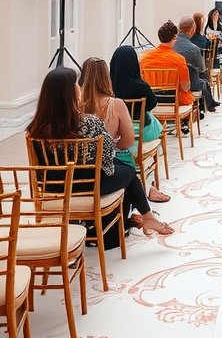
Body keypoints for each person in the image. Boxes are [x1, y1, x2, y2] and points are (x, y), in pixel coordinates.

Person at [27, 66, 173, 237]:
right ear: (71, 93)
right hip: (88, 186)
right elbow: (107, 158)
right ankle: (145, 217)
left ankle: (141, 218)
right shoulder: (90, 122)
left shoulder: (35, 128)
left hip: (54, 188)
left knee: (121, 167)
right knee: (129, 171)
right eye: (76, 85)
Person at [83, 53, 169, 205]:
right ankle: (144, 196)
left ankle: (144, 199)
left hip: (81, 166)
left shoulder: (76, 105)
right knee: (129, 169)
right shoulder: (115, 104)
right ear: (105, 76)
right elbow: (128, 140)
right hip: (109, 161)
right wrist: (112, 146)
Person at [140, 20, 194, 115]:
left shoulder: (144, 57)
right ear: (174, 38)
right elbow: (186, 87)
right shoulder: (179, 60)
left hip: (151, 102)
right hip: (174, 102)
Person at [174, 16, 219, 112]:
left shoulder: (170, 45)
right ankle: (205, 105)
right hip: (187, 84)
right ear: (192, 29)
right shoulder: (193, 48)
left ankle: (208, 103)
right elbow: (201, 68)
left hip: (169, 81)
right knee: (203, 76)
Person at [205, 8, 222, 73]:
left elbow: (221, 35)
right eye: (215, 15)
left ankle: (221, 65)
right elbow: (207, 36)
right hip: (211, 46)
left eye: (217, 15)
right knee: (215, 53)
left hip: (218, 45)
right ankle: (217, 69)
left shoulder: (219, 25)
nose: (217, 16)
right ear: (211, 16)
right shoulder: (208, 26)